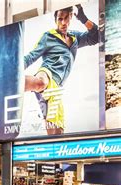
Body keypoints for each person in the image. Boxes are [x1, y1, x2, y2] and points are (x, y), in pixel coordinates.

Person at [24, 5, 98, 135]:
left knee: (57, 133)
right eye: (59, 19)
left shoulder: (75, 38)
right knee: (41, 83)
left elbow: (96, 36)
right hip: (46, 73)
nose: (63, 22)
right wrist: (14, 70)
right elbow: (31, 56)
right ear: (55, 20)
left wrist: (83, 18)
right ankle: (9, 82)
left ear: (71, 16)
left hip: (56, 89)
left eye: (65, 18)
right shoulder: (48, 37)